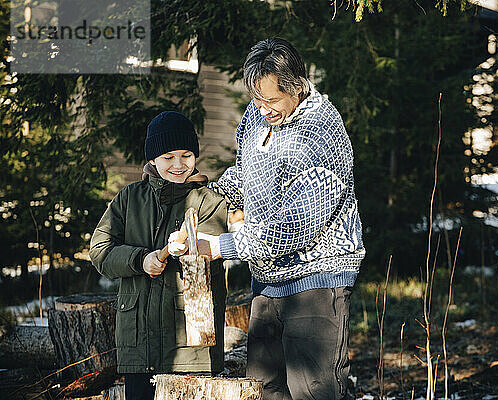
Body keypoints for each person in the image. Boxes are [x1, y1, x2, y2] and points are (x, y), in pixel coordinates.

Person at [193, 37, 365, 400]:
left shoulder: (322, 134)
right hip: (268, 281)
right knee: (265, 388)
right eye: (256, 99)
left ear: (297, 86)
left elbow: (292, 229)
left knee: (313, 391)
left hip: (316, 282)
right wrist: (210, 196)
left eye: (272, 100)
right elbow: (246, 173)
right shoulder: (256, 116)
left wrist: (221, 246)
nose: (263, 109)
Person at [89, 111, 228, 400]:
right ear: (152, 158)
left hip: (192, 350)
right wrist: (141, 260)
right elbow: (100, 251)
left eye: (186, 155)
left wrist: (189, 250)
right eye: (168, 157)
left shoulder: (210, 203)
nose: (178, 165)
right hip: (138, 345)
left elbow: (210, 257)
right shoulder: (129, 199)